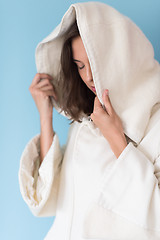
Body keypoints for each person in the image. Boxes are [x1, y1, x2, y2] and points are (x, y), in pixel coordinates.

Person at [18, 2, 160, 240]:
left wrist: (116, 139)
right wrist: (46, 115)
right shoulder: (87, 123)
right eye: (80, 66)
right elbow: (51, 199)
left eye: (94, 61)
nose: (88, 76)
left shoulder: (155, 124)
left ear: (122, 55)